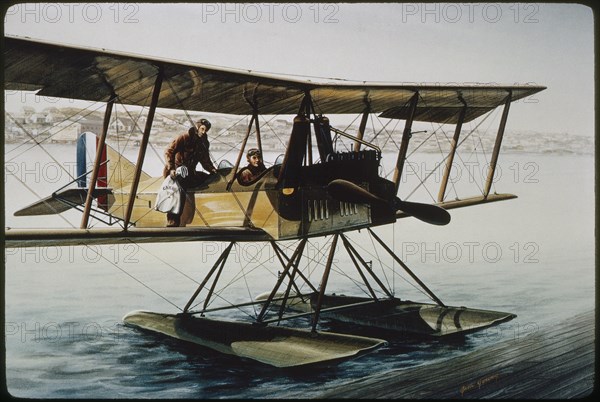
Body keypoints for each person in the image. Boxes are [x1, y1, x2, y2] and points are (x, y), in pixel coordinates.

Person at [163, 118, 217, 227]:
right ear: (197, 128)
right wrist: (172, 168)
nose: (204, 132)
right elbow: (169, 151)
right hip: (177, 171)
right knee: (179, 190)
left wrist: (212, 169)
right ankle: (172, 221)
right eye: (202, 129)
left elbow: (205, 160)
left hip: (190, 172)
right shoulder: (184, 137)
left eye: (206, 130)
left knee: (207, 178)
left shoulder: (204, 142)